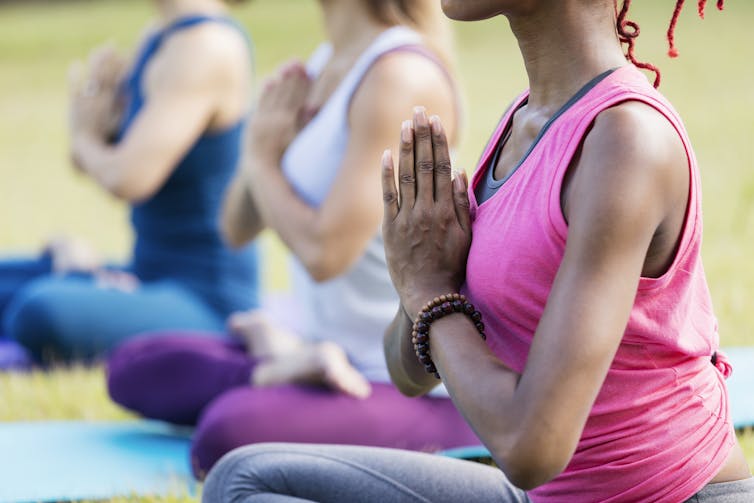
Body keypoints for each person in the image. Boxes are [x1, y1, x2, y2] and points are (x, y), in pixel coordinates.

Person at [202, 1, 754, 502]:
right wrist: (416, 276)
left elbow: (530, 447)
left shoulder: (626, 141)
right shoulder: (523, 120)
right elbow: (408, 373)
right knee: (244, 478)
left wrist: (429, 291)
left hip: (667, 496)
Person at [106, 0, 480, 480]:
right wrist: (261, 146)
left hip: (402, 382)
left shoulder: (399, 75)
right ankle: (283, 366)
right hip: (321, 350)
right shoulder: (325, 62)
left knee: (226, 434)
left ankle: (279, 372)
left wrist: (264, 164)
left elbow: (326, 253)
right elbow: (235, 227)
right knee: (134, 364)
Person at [0, 0, 259, 364]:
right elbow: (94, 158)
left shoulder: (208, 46)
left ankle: (87, 283)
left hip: (206, 301)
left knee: (39, 311)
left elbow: (128, 177)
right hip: (143, 275)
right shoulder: (160, 35)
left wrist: (83, 138)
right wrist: (93, 128)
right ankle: (90, 280)